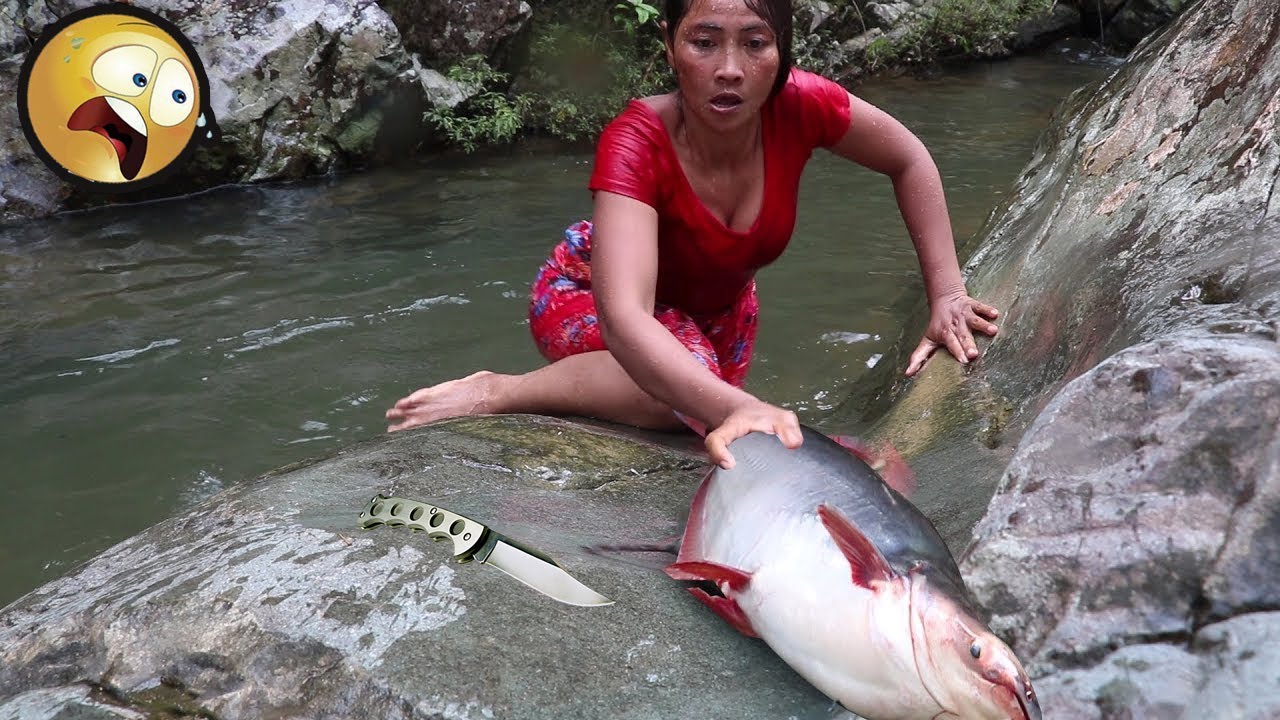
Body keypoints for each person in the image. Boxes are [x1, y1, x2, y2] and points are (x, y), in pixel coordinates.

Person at [386, 0, 1000, 469]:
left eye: (755, 44)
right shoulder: (636, 140)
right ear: (670, 45)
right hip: (588, 292)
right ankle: (504, 390)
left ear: (782, 50)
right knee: (677, 397)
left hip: (721, 313)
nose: (729, 70)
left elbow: (909, 159)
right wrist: (739, 405)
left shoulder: (803, 106)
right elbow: (626, 318)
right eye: (704, 43)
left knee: (703, 401)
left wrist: (947, 293)